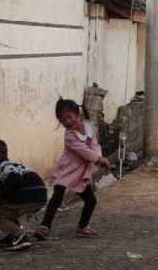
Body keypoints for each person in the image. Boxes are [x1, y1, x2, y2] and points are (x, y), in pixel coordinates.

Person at [34, 98, 111, 239]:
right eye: (63, 120)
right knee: (57, 197)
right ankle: (44, 227)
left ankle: (82, 227)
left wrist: (100, 159)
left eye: (69, 117)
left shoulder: (88, 128)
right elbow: (83, 151)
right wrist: (99, 159)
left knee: (91, 200)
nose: (67, 122)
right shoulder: (69, 135)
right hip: (68, 170)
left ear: (77, 114)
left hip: (81, 172)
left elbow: (94, 145)